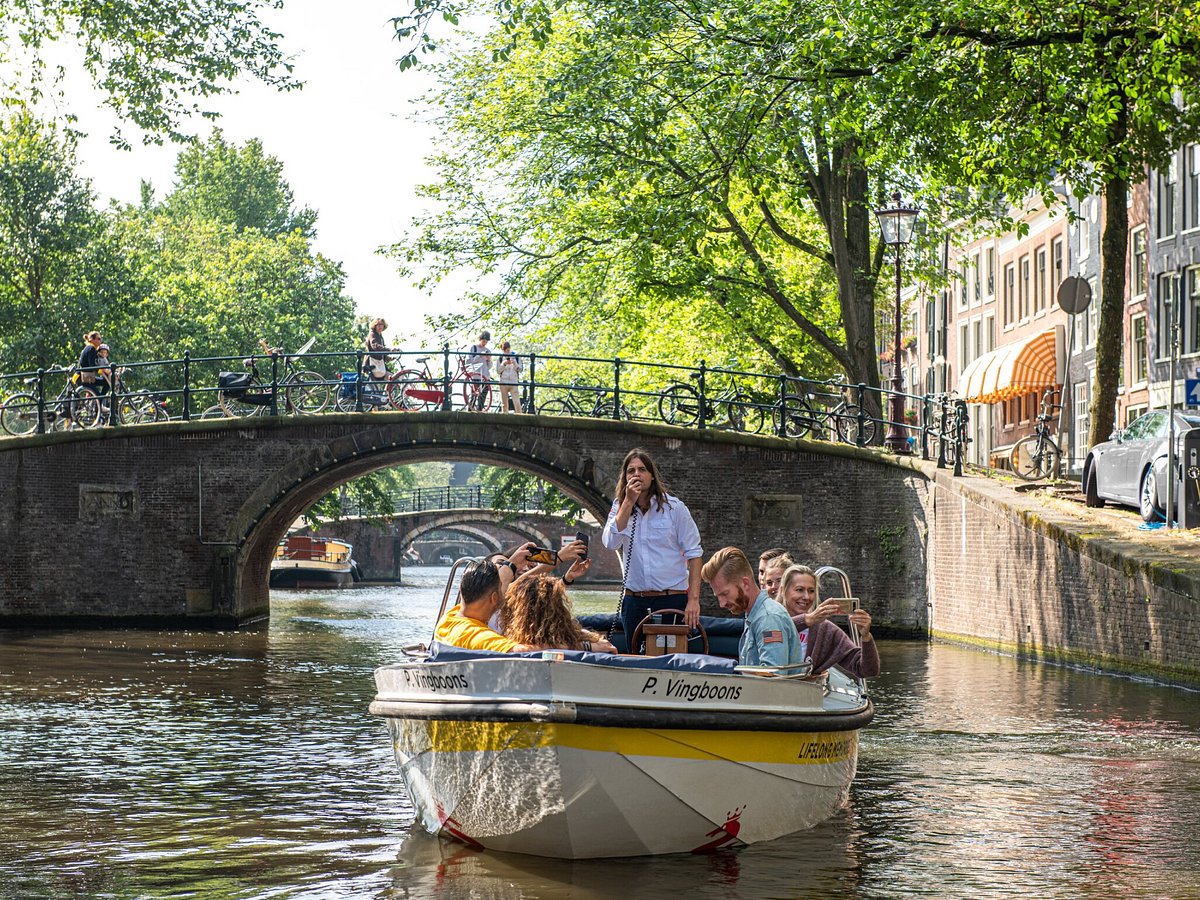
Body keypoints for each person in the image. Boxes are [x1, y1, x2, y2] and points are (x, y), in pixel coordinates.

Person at [601, 448, 703, 652]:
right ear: (625, 477)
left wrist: (693, 600)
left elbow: (694, 554)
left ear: (652, 476)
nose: (636, 474)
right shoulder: (619, 508)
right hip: (634, 600)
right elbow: (610, 543)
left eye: (642, 469)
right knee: (635, 658)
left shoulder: (674, 508)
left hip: (671, 598)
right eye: (631, 471)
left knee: (672, 658)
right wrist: (628, 502)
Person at [701, 546, 803, 668]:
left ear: (745, 583)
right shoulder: (756, 615)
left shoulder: (768, 618)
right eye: (718, 596)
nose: (721, 604)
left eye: (724, 594)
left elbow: (773, 681)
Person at [778, 564, 880, 677]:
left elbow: (867, 670)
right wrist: (806, 620)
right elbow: (773, 630)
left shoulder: (825, 630)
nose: (806, 597)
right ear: (783, 590)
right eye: (799, 590)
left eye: (811, 591)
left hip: (804, 691)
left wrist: (866, 637)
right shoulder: (768, 618)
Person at [434, 557, 538, 653]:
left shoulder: (448, 618)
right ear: (494, 598)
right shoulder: (477, 636)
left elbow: (491, 591)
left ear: (462, 590)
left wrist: (511, 564)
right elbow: (524, 651)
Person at [501, 572, 617, 653]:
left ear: (516, 610)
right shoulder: (592, 643)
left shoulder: (504, 643)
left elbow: (523, 650)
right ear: (559, 608)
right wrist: (585, 646)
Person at [496, 340, 522, 413]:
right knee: (504, 404)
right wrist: (504, 364)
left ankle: (520, 417)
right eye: (505, 350)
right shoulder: (500, 358)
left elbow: (520, 369)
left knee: (517, 402)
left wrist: (515, 364)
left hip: (513, 382)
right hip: (503, 382)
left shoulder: (516, 357)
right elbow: (498, 371)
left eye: (508, 350)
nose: (507, 352)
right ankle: (504, 419)